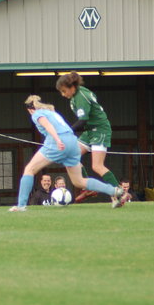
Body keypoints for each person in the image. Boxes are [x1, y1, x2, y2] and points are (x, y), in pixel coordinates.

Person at [8, 95, 126, 212]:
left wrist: (57, 140)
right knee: (78, 181)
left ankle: (21, 206)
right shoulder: (52, 112)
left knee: (29, 169)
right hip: (73, 142)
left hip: (57, 142)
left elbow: (48, 126)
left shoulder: (36, 114)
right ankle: (114, 190)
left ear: (29, 109)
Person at [55, 72, 122, 207]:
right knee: (71, 155)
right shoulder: (78, 93)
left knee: (97, 166)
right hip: (90, 130)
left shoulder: (80, 97)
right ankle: (88, 187)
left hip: (99, 129)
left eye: (64, 91)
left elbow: (82, 120)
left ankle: (119, 193)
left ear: (72, 87)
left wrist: (67, 132)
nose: (63, 94)